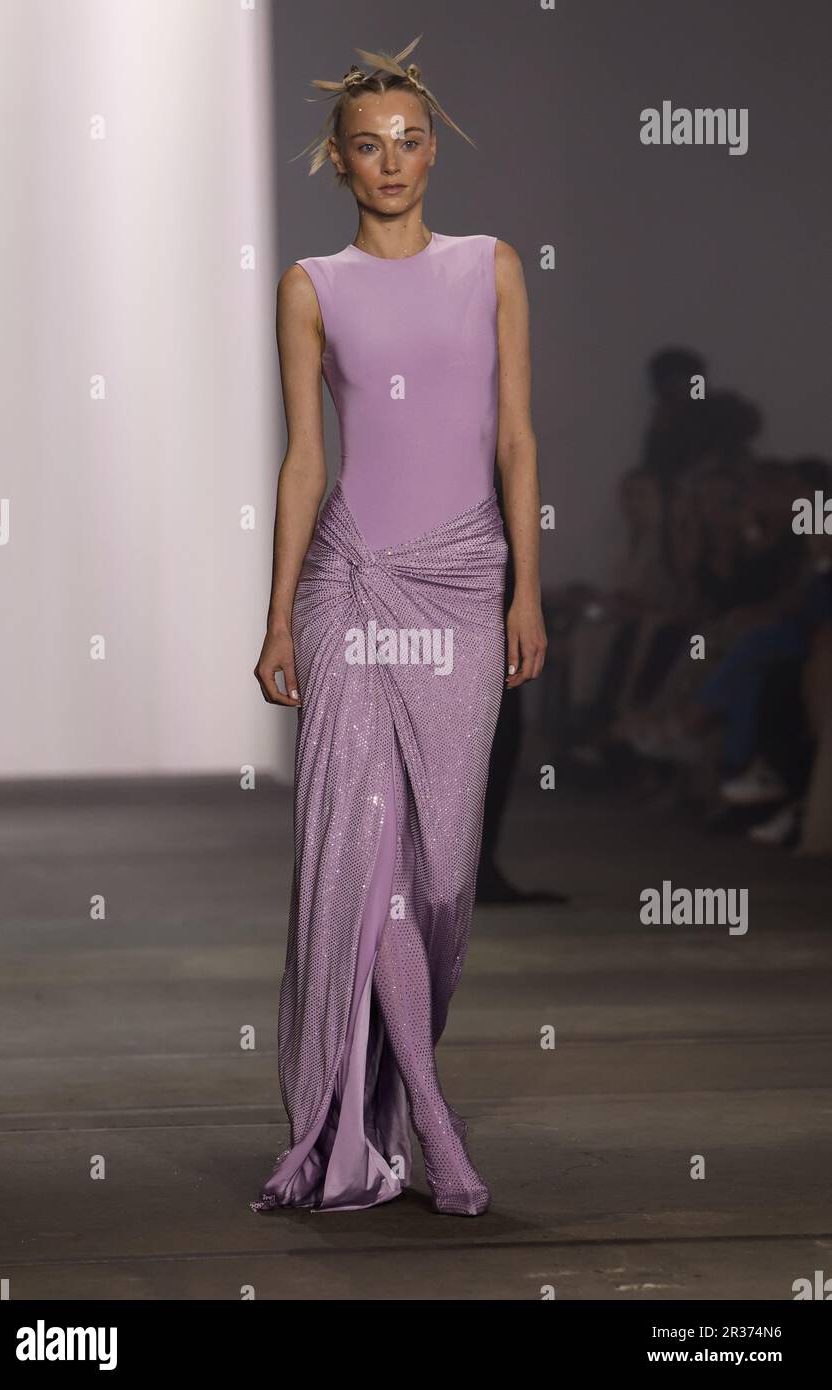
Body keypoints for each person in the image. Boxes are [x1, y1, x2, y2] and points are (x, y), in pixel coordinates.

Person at [251, 36, 546, 1217]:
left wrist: (527, 584)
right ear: (339, 159)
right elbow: (303, 458)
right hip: (352, 585)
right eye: (368, 146)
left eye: (409, 141)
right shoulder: (310, 285)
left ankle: (396, 1104)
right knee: (364, 858)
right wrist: (277, 617)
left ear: (433, 149)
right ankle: (425, 1120)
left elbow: (515, 437)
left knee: (438, 873)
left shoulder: (491, 266)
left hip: (467, 580)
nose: (392, 162)